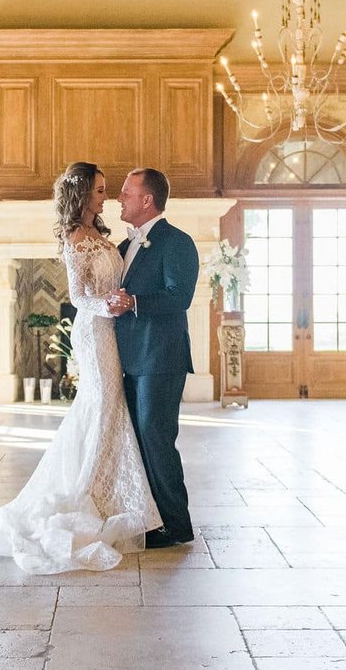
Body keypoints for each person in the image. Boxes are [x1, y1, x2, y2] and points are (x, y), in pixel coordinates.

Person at [0, 162, 161, 573]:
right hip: (94, 331)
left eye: (107, 190)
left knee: (110, 409)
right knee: (103, 405)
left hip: (111, 330)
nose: (104, 197)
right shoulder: (75, 237)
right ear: (80, 195)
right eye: (98, 191)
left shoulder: (103, 236)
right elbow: (78, 296)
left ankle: (104, 489)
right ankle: (88, 490)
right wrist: (106, 306)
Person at [106, 166, 197, 548]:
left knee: (158, 440)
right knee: (141, 441)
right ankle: (153, 517)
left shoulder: (177, 241)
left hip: (161, 359)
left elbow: (181, 296)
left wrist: (134, 302)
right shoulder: (126, 246)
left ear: (147, 200)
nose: (119, 198)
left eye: (127, 193)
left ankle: (177, 526)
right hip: (131, 361)